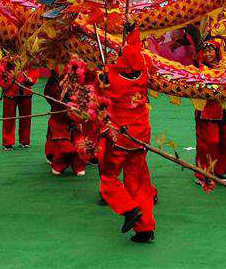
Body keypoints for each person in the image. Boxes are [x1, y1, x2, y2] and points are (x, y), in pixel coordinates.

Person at [98, 27, 156, 244]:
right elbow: (136, 52)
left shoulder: (111, 77)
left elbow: (99, 93)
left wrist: (102, 74)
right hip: (140, 137)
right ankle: (145, 229)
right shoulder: (145, 73)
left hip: (120, 138)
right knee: (139, 183)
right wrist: (132, 31)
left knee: (108, 179)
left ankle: (129, 209)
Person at [193, 43, 226, 184]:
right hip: (206, 112)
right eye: (205, 51)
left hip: (225, 111)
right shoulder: (199, 69)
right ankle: (203, 174)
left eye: (210, 51)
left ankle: (218, 171)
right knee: (209, 142)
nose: (207, 54)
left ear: (217, 52)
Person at [44, 71, 88, 176]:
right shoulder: (55, 83)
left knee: (82, 148)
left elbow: (85, 115)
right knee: (66, 149)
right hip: (59, 124)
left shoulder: (81, 87)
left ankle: (78, 165)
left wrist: (77, 111)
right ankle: (58, 164)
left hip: (76, 125)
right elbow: (50, 96)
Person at [2, 65, 37, 150]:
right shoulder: (7, 60)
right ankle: (8, 142)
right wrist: (8, 78)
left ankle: (25, 140)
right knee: (8, 118)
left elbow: (35, 68)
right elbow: (1, 73)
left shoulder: (30, 60)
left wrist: (31, 79)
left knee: (26, 118)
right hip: (10, 92)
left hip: (26, 92)